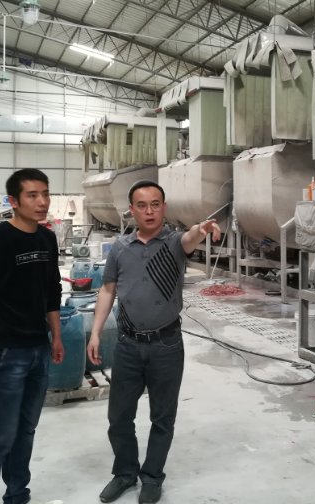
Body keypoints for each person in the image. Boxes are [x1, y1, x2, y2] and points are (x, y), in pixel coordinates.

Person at [88, 180, 220, 504]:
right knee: (119, 416)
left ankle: (152, 476)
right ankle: (124, 473)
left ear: (164, 208)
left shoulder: (174, 243)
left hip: (166, 345)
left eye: (155, 204)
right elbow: (107, 290)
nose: (149, 211)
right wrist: (95, 332)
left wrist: (201, 229)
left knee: (162, 417)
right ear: (131, 210)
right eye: (142, 205)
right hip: (128, 345)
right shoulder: (120, 249)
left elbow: (190, 238)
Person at [0, 168, 64, 504]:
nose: (42, 202)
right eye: (32, 195)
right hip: (6, 352)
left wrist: (56, 336)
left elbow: (52, 291)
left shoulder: (47, 239)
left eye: (45, 194)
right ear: (13, 201)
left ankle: (17, 494)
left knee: (26, 429)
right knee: (1, 435)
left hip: (38, 348)